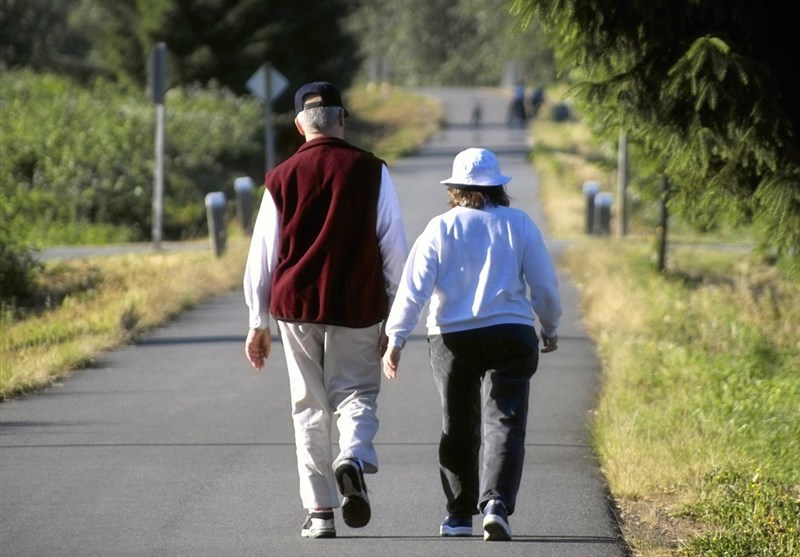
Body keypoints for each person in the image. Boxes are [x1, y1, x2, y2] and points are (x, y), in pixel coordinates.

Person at [243, 81, 408, 539]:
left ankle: (320, 514)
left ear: (300, 125)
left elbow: (262, 253)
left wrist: (257, 321)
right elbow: (394, 248)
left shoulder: (280, 177)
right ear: (342, 119)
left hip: (295, 308)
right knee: (356, 392)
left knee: (308, 406)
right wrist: (396, 318)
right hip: (357, 303)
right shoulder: (372, 170)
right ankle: (352, 455)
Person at [382, 148, 561, 541]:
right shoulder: (519, 223)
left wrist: (396, 338)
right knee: (506, 421)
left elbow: (414, 288)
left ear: (456, 189)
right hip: (511, 332)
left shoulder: (440, 227)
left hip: (452, 338)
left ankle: (459, 515)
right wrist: (550, 325)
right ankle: (496, 505)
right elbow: (544, 285)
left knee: (458, 426)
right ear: (498, 186)